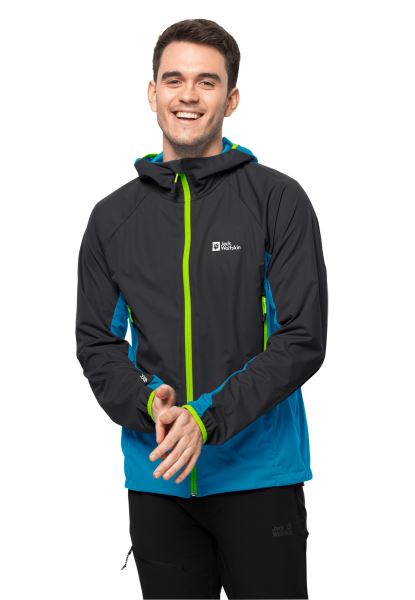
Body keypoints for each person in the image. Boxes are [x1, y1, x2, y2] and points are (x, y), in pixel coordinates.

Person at [75, 17, 328, 600]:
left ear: (231, 99)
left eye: (206, 82)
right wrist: (150, 405)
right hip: (159, 480)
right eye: (174, 80)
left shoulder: (277, 200)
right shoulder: (112, 219)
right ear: (152, 92)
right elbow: (97, 342)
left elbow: (301, 337)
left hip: (259, 477)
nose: (188, 95)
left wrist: (206, 416)